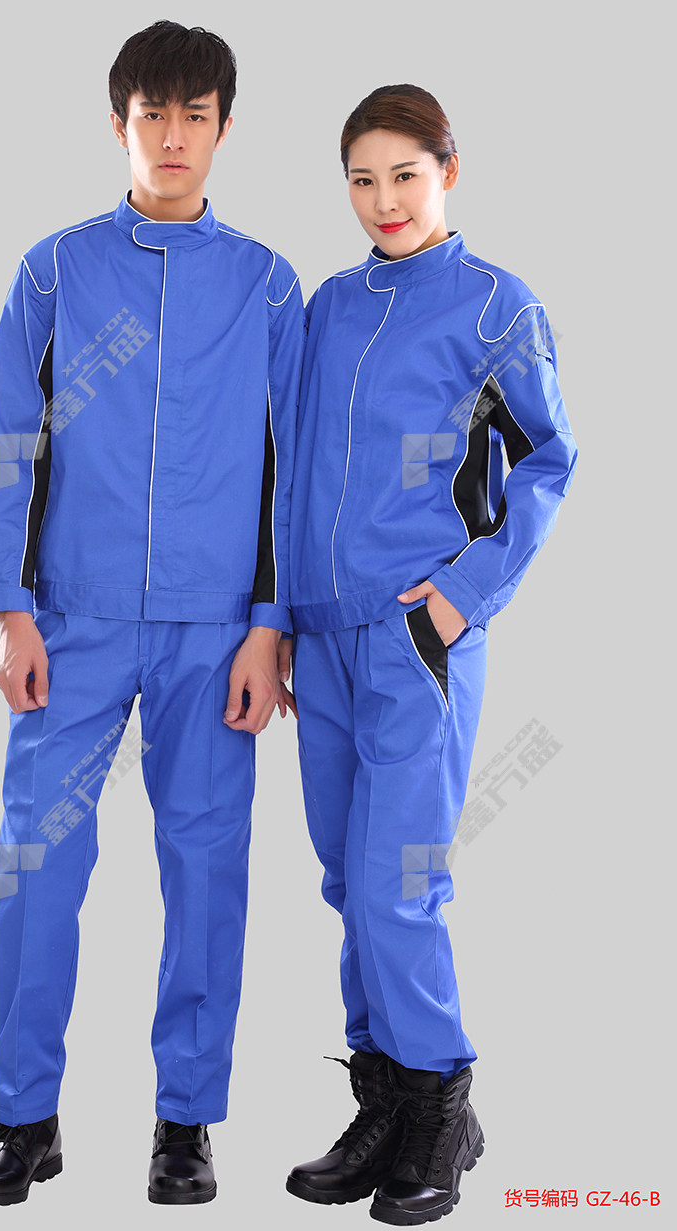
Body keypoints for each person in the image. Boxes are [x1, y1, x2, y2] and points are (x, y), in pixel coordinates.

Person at [0, 20, 303, 1207]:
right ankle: (22, 1118)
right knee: (35, 864)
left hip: (215, 633)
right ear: (118, 124)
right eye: (151, 113)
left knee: (205, 874)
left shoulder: (266, 283)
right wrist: (8, 606)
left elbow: (289, 465)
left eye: (193, 114)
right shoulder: (54, 271)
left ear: (223, 128)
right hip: (73, 622)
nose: (171, 135)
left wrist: (268, 622)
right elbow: (7, 443)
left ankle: (184, 1121)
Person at [284, 84, 577, 1225]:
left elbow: (550, 459)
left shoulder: (495, 306)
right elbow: (293, 467)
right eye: (361, 180)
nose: (383, 200)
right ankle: (384, 1101)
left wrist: (460, 596)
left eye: (403, 175)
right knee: (345, 878)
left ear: (447, 170)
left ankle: (441, 1104)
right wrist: (281, 617)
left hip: (417, 637)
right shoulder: (328, 305)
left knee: (399, 879)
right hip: (321, 634)